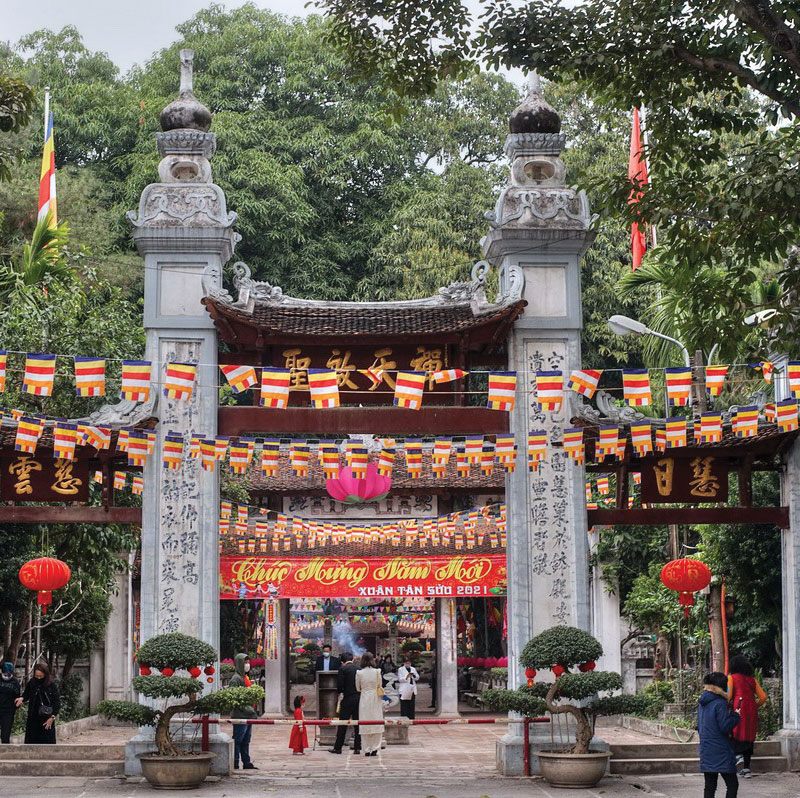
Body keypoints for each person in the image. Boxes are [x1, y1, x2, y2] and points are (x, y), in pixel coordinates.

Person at [698, 671, 740, 798]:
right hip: (720, 749)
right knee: (732, 784)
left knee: (710, 786)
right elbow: (724, 726)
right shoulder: (720, 703)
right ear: (721, 687)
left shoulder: (702, 703)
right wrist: (736, 716)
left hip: (706, 749)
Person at [728, 655, 767, 778]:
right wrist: (755, 706)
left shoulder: (732, 678)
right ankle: (746, 769)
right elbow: (763, 697)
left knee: (736, 731)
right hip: (751, 709)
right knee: (749, 734)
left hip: (738, 707)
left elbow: (728, 696)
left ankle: (737, 755)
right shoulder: (752, 680)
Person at [17, 663, 59, 744]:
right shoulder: (32, 682)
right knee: (31, 742)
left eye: (41, 676)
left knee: (47, 743)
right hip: (33, 717)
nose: (39, 678)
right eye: (37, 676)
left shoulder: (51, 685)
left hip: (47, 718)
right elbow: (26, 695)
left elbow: (56, 702)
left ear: (45, 675)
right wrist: (21, 698)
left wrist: (52, 717)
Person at [229, 653, 257, 770]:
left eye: (248, 662)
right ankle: (235, 762)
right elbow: (234, 698)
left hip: (248, 714)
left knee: (246, 740)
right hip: (240, 714)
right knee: (238, 740)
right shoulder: (235, 679)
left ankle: (246, 762)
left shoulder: (245, 677)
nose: (247, 665)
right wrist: (248, 708)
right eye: (245, 662)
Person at [330, 651, 361, 755]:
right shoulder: (358, 669)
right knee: (357, 723)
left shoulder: (342, 669)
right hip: (358, 698)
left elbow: (340, 685)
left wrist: (340, 693)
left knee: (343, 723)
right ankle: (357, 747)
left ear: (342, 661)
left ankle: (338, 747)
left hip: (347, 698)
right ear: (352, 659)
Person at [356, 651, 384, 757]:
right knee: (377, 721)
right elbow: (380, 685)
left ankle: (366, 748)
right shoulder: (377, 671)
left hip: (364, 697)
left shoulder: (359, 673)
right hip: (375, 697)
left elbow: (357, 687)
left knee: (364, 722)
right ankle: (375, 747)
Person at [0, 662, 21, 743]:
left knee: (5, 735)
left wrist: (17, 705)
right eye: (5, 674)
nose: (7, 676)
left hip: (8, 712)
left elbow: (17, 698)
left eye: (9, 675)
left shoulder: (15, 683)